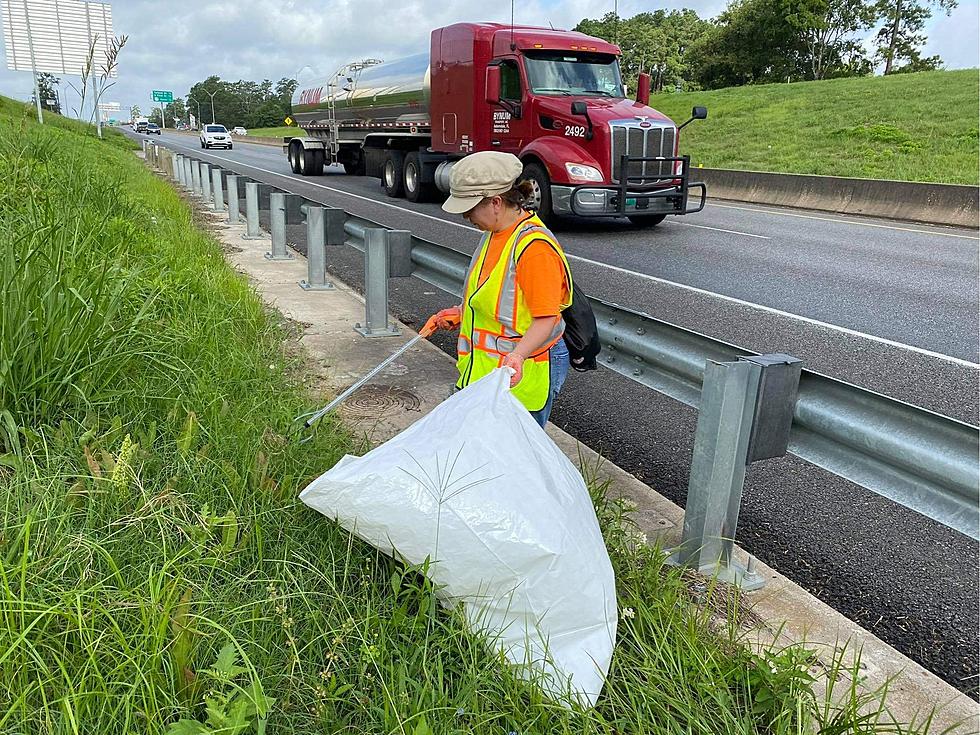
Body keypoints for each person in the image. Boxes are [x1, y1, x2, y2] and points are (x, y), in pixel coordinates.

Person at [423, 151, 573, 428]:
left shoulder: (534, 248)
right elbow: (498, 298)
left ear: (495, 202)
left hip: (523, 369)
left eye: (469, 209)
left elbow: (546, 318)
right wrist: (460, 313)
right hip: (487, 369)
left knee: (515, 456)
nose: (466, 216)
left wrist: (518, 355)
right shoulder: (493, 235)